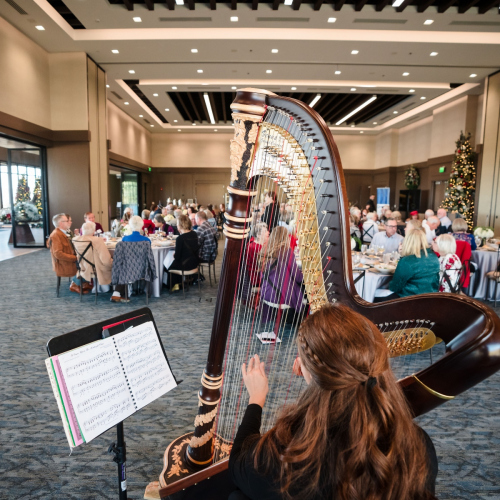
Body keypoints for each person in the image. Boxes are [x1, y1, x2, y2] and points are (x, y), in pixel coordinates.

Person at [229, 304, 438, 500]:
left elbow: (238, 463)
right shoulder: (418, 445)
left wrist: (256, 398)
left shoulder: (286, 455)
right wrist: (317, 376)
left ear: (308, 369)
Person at [378, 229, 439, 301]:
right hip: (430, 299)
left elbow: (395, 287)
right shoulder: (434, 257)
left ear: (407, 241)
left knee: (375, 293)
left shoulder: (408, 260)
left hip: (409, 300)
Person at [259, 226, 305, 322]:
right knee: (304, 291)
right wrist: (305, 274)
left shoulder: (264, 249)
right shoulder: (286, 251)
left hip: (265, 292)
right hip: (280, 296)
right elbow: (298, 277)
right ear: (285, 237)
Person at [111, 215, 151, 302]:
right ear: (141, 226)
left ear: (130, 225)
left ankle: (118, 293)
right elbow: (149, 256)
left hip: (128, 269)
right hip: (143, 269)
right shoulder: (147, 241)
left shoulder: (125, 239)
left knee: (122, 265)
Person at [46, 213, 83, 294]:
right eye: (67, 221)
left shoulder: (63, 232)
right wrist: (75, 257)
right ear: (61, 223)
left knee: (87, 259)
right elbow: (58, 254)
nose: (69, 222)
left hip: (69, 259)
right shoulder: (56, 235)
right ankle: (75, 284)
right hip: (64, 263)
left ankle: (82, 282)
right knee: (85, 262)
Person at [73, 222, 113, 288]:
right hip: (96, 268)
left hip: (83, 267)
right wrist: (112, 263)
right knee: (117, 264)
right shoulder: (97, 240)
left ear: (82, 230)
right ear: (94, 231)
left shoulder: (75, 239)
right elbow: (105, 260)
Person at [166, 215, 199, 291]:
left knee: (168, 266)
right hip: (194, 263)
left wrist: (174, 254)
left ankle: (174, 286)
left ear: (179, 225)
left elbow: (177, 257)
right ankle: (180, 283)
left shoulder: (180, 238)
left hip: (185, 266)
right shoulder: (194, 233)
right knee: (175, 262)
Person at [246, 223, 269, 287]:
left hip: (261, 275)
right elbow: (265, 265)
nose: (268, 233)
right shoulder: (254, 247)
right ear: (258, 235)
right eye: (265, 231)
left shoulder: (258, 244)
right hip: (257, 279)